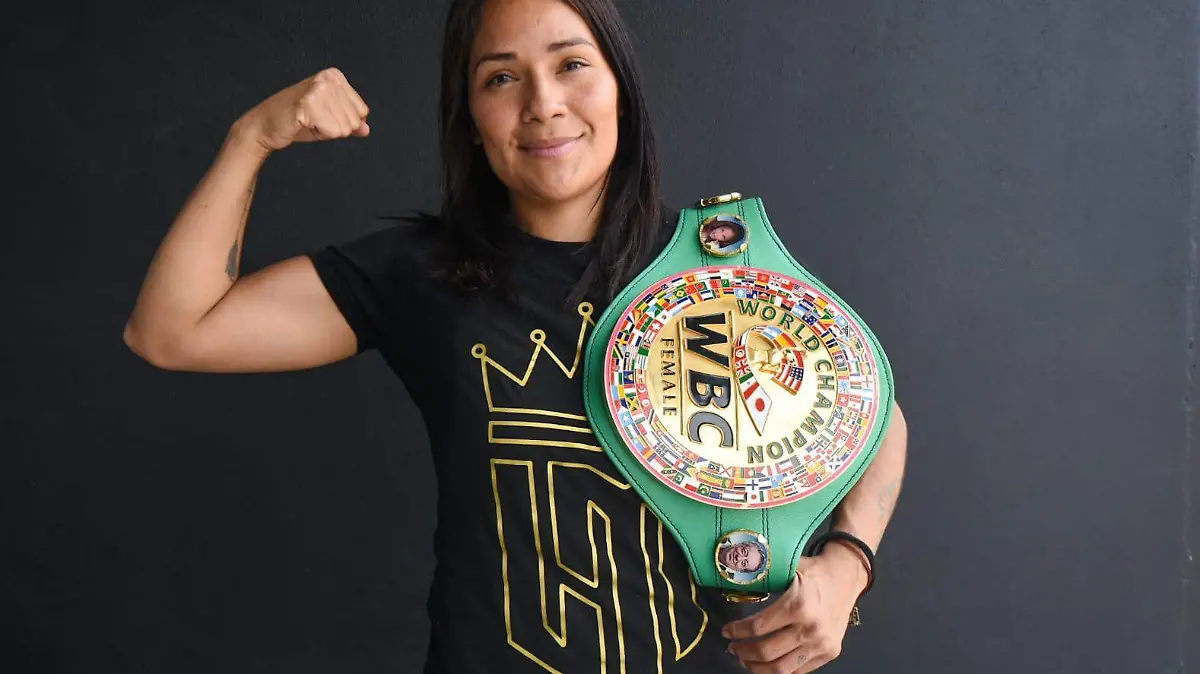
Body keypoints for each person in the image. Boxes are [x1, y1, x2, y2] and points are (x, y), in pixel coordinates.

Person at [123, 0, 909, 671]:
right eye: (501, 78)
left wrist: (848, 565)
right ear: (470, 118)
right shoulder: (423, 273)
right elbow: (173, 331)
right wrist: (252, 137)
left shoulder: (711, 271)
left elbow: (872, 412)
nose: (543, 104)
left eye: (572, 65)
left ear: (621, 90)